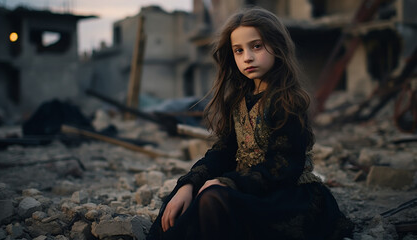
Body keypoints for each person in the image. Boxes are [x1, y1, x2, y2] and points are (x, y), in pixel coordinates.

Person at [147, 7, 354, 240]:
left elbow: (283, 166)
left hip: (286, 195)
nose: (247, 57)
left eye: (256, 46)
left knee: (214, 198)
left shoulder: (287, 101)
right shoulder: (237, 100)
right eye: (238, 50)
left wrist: (226, 182)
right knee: (182, 199)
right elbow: (223, 151)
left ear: (276, 46)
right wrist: (189, 184)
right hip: (248, 187)